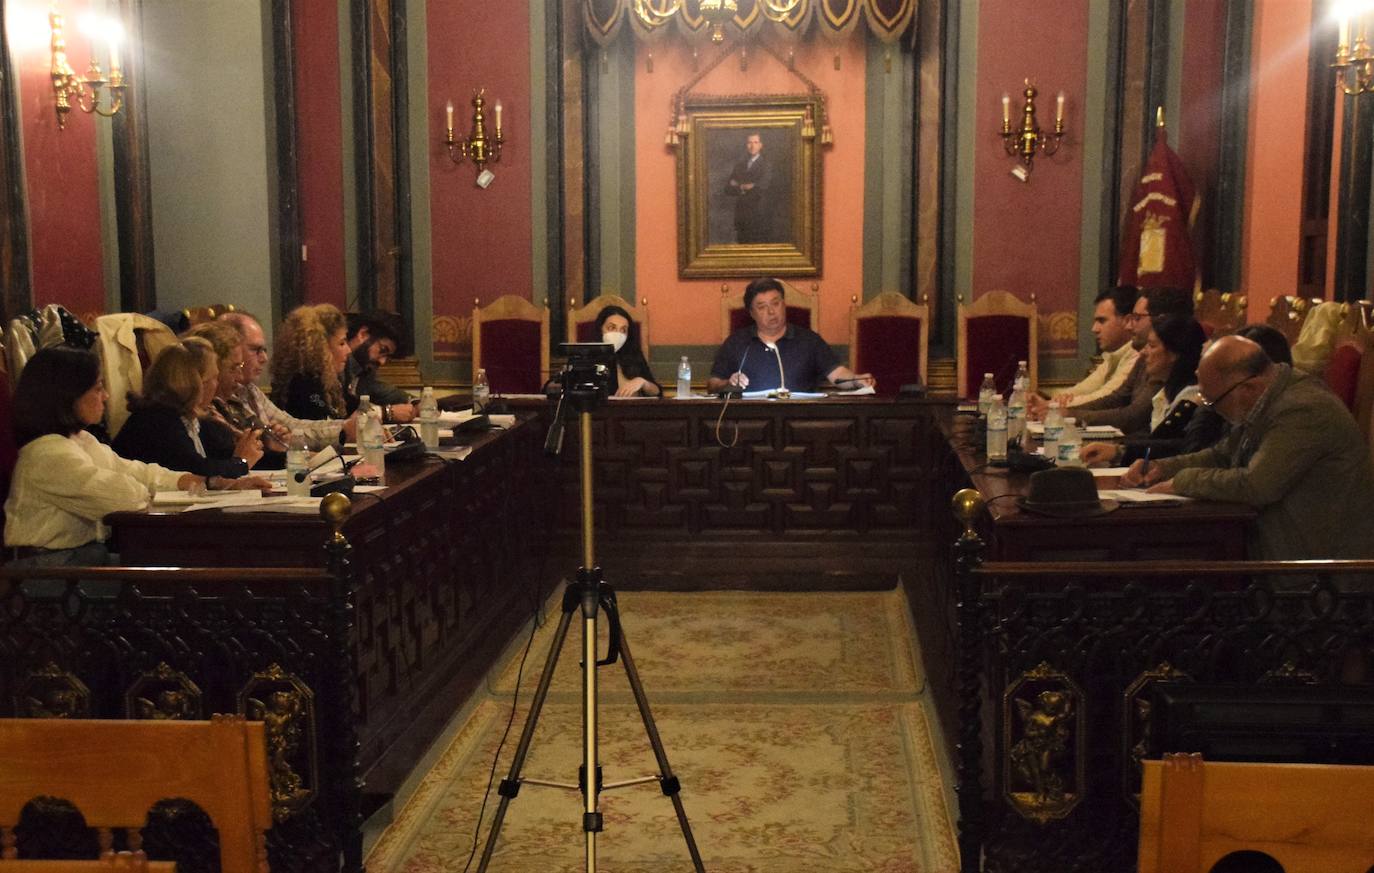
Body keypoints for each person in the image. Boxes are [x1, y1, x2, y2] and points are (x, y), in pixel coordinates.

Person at [4, 347, 263, 569]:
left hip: (79, 561)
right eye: (98, 388)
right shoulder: (48, 453)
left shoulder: (81, 440)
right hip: (48, 573)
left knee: (183, 569)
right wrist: (150, 488)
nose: (106, 396)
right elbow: (123, 498)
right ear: (67, 396)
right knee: (176, 580)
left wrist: (206, 482)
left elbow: (139, 472)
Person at [1124, 335, 1374, 561]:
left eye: (1213, 402)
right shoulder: (1269, 398)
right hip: (1276, 552)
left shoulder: (1302, 409)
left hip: (1315, 574)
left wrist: (1183, 480)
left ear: (1249, 387)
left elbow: (1256, 485)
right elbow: (1223, 454)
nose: (1212, 410)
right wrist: (1161, 468)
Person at [113, 339, 264, 478]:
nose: (216, 384)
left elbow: (221, 457)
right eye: (213, 378)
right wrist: (241, 462)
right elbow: (196, 471)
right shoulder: (156, 422)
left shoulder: (195, 419)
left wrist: (253, 451)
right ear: (195, 384)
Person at [1064, 286, 1194, 437]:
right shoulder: (1144, 354)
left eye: (1136, 318)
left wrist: (1070, 415)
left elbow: (1134, 416)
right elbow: (1117, 398)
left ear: (1161, 319)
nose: (1128, 325)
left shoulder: (1167, 361)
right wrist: (1066, 412)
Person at [707, 278, 874, 394]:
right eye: (762, 307)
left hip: (801, 421)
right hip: (750, 422)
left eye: (776, 303)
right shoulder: (737, 342)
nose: (771, 312)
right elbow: (712, 385)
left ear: (784, 304)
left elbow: (838, 375)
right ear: (752, 313)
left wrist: (856, 380)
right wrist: (728, 384)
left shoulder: (809, 341)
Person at [217, 310, 357, 448]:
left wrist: (345, 427)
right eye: (255, 349)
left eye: (264, 350)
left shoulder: (250, 390)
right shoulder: (304, 382)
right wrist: (343, 430)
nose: (264, 358)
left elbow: (290, 425)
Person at [1079, 315, 1206, 467]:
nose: (1143, 352)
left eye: (1151, 346)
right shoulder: (1166, 392)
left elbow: (1171, 447)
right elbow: (1150, 436)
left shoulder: (1192, 398)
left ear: (1174, 354)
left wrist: (1119, 451)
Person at [1027, 286, 1138, 417]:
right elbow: (1084, 388)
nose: (1094, 329)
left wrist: (1051, 405)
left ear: (1127, 321)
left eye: (1102, 321)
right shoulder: (1114, 355)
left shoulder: (1137, 354)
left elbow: (1105, 398)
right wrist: (1056, 400)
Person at [272, 304, 356, 422]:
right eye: (342, 343)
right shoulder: (303, 385)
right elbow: (322, 422)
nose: (348, 350)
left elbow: (351, 406)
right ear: (322, 347)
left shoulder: (327, 381)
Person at [344, 310, 416, 422]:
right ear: (363, 334)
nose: (382, 361)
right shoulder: (333, 364)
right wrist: (386, 413)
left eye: (388, 357)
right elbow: (337, 411)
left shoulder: (363, 372)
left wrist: (417, 402)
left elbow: (387, 393)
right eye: (382, 350)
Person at [595, 304, 660, 397]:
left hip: (632, 406)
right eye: (611, 328)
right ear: (600, 329)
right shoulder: (587, 356)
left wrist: (643, 382)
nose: (618, 333)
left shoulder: (633, 353)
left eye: (623, 330)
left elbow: (657, 392)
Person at [724, 132, 773, 244]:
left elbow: (764, 186)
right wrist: (744, 186)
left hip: (758, 213)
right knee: (742, 245)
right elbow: (727, 189)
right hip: (741, 214)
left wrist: (739, 185)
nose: (752, 146)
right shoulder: (740, 165)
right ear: (746, 145)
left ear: (760, 145)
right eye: (749, 142)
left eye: (755, 142)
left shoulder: (766, 165)